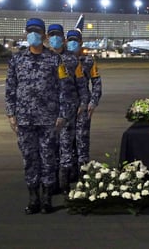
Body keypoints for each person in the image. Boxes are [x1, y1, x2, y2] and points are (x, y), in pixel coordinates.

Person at [5, 18, 72, 214]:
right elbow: (10, 88)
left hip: (48, 119)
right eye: (29, 31)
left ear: (43, 35)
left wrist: (62, 115)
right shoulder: (17, 59)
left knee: (48, 158)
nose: (32, 35)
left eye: (36, 32)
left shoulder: (54, 59)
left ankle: (46, 198)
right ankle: (33, 198)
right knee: (29, 158)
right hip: (24, 120)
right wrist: (11, 114)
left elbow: (64, 90)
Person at [47, 24, 89, 194]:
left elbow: (82, 85)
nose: (54, 38)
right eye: (52, 35)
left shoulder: (73, 60)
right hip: (47, 112)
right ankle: (52, 182)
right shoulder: (43, 58)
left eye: (57, 35)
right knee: (50, 148)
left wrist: (84, 103)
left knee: (65, 146)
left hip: (68, 111)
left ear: (63, 39)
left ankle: (64, 182)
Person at [66, 29, 102, 176]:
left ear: (81, 42)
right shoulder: (61, 60)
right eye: (69, 40)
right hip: (65, 107)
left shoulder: (88, 61)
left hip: (83, 106)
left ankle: (83, 171)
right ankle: (69, 171)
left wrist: (93, 102)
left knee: (82, 138)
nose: (72, 43)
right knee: (66, 140)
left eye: (75, 40)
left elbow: (97, 83)